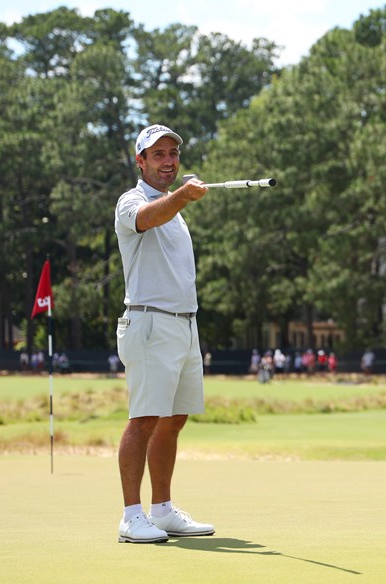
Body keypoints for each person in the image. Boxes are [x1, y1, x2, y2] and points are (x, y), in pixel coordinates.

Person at [114, 124, 215, 544]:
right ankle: (130, 516)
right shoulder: (131, 201)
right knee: (144, 420)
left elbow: (168, 212)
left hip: (184, 324)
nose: (168, 161)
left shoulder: (176, 208)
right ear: (140, 161)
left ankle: (162, 510)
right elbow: (146, 219)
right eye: (158, 154)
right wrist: (183, 196)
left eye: (173, 153)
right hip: (149, 322)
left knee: (174, 420)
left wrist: (180, 199)